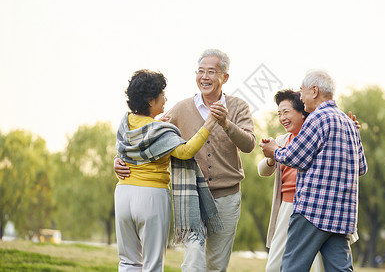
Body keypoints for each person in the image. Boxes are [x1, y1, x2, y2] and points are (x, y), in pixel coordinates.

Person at [115, 49, 256, 272]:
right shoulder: (181, 108)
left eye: (211, 72)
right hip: (190, 196)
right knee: (193, 259)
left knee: (216, 265)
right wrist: (120, 158)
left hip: (226, 196)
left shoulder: (238, 107)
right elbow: (147, 134)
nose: (204, 77)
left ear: (225, 77)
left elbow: (249, 145)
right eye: (201, 71)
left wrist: (226, 124)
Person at [260, 69, 368, 272]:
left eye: (302, 91)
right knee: (340, 269)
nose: (301, 97)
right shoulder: (349, 123)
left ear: (314, 91)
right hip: (341, 215)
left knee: (292, 267)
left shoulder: (317, 118)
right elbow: (361, 167)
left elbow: (294, 157)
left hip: (313, 212)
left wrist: (274, 150)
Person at [114, 69, 222, 272]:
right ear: (150, 101)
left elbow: (127, 149)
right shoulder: (160, 131)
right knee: (152, 264)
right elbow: (185, 151)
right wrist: (209, 124)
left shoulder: (125, 124)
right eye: (162, 95)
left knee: (127, 262)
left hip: (123, 194)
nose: (166, 99)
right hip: (151, 196)